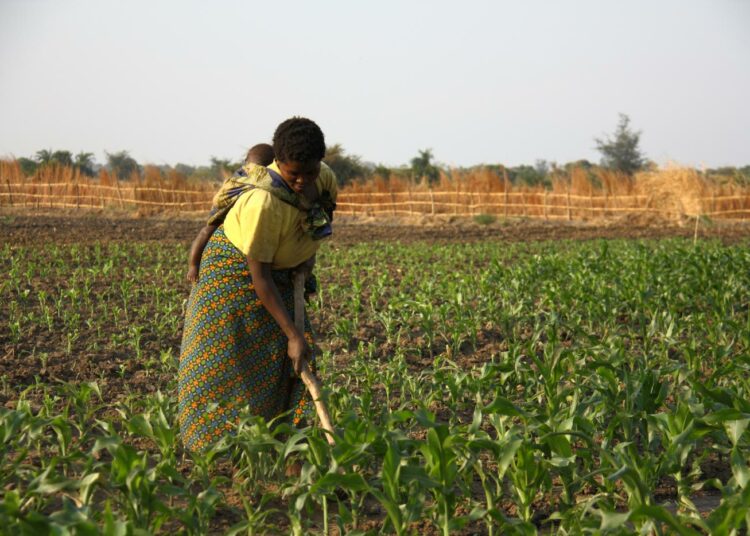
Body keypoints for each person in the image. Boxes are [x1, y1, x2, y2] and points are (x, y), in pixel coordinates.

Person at [178, 117, 338, 452]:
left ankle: (286, 449)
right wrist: (292, 334)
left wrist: (305, 256)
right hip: (233, 275)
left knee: (289, 361)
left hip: (284, 273)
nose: (303, 181)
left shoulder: (324, 179)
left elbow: (323, 214)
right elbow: (259, 277)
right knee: (226, 360)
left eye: (310, 172)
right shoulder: (262, 203)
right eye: (294, 174)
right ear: (278, 163)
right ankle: (217, 450)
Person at [186, 143, 275, 283]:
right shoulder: (249, 176)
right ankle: (193, 264)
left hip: (239, 211)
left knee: (208, 231)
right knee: (208, 230)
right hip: (226, 208)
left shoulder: (257, 175)